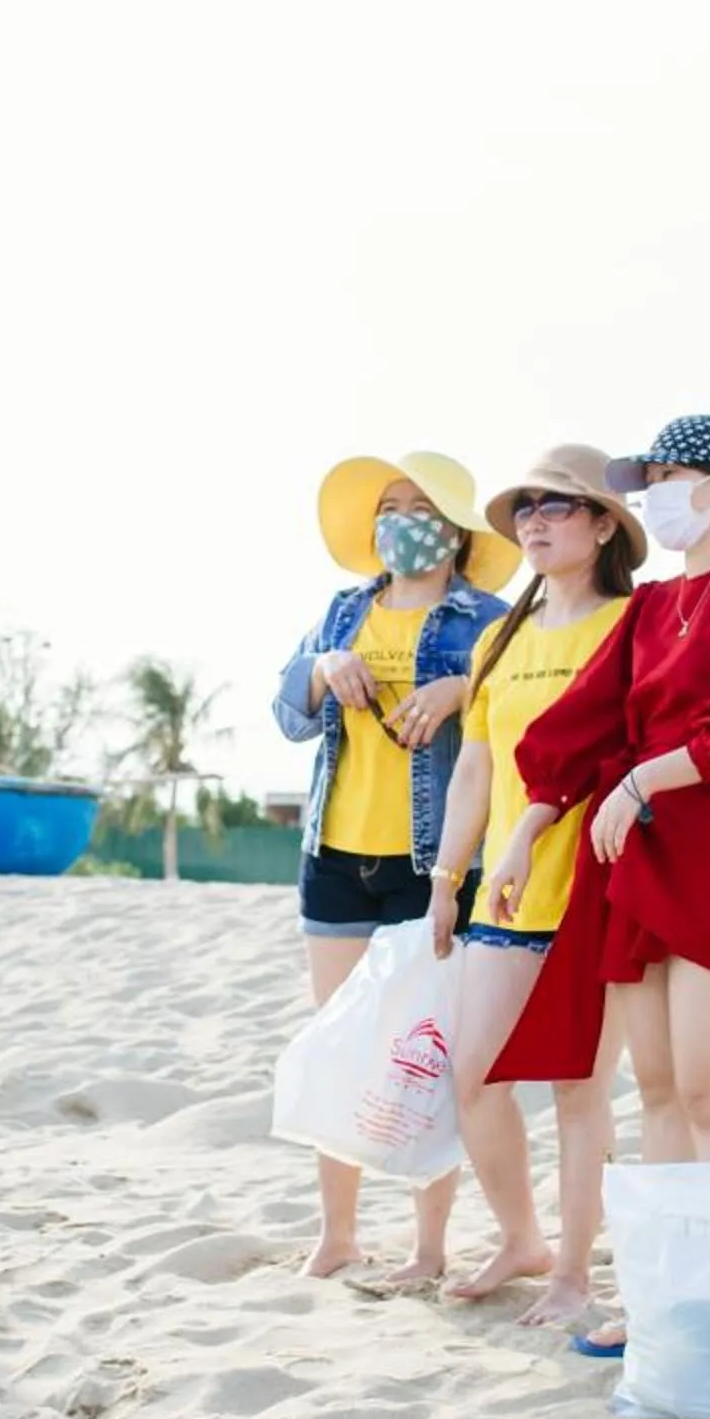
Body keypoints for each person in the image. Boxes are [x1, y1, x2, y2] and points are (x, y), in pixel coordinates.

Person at [490, 415, 710, 1348]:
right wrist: (524, 835)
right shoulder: (645, 611)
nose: (656, 494)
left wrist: (641, 781)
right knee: (659, 1091)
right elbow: (576, 730)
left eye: (672, 474)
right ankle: (671, 1298)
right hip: (632, 853)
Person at [274, 453, 518, 1280]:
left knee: (425, 1050)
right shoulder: (342, 611)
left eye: (419, 505)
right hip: (337, 855)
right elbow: (287, 715)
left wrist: (461, 689)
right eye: (389, 505)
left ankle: (428, 1248)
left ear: (454, 529)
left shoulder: (488, 619)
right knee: (338, 1041)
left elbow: (518, 722)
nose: (401, 519)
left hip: (435, 864)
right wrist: (318, 669)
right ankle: (337, 1237)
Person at [428, 446, 641, 1327]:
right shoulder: (497, 638)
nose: (536, 521)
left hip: (595, 895)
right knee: (472, 1077)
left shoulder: (631, 624)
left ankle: (574, 1276)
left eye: (559, 506)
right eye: (526, 508)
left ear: (603, 526)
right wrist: (447, 879)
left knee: (578, 1093)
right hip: (503, 900)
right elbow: (475, 770)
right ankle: (522, 1239)